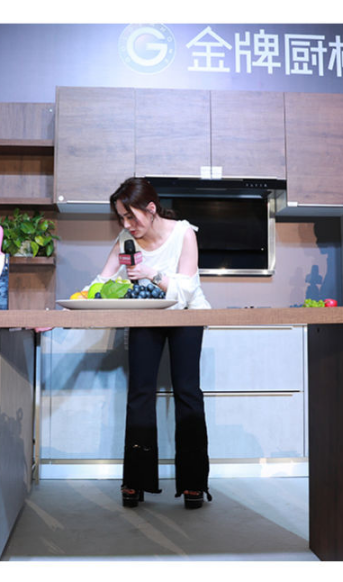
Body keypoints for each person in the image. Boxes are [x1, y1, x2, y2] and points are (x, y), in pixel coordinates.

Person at [85, 177, 212, 509]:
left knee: (188, 393)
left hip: (187, 315)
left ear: (151, 208)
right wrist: (67, 310)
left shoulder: (184, 232)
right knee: (140, 393)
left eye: (131, 216)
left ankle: (194, 483)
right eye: (121, 218)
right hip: (146, 315)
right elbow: (100, 282)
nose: (127, 225)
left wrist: (150, 273)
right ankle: (136, 481)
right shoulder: (126, 239)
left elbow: (186, 289)